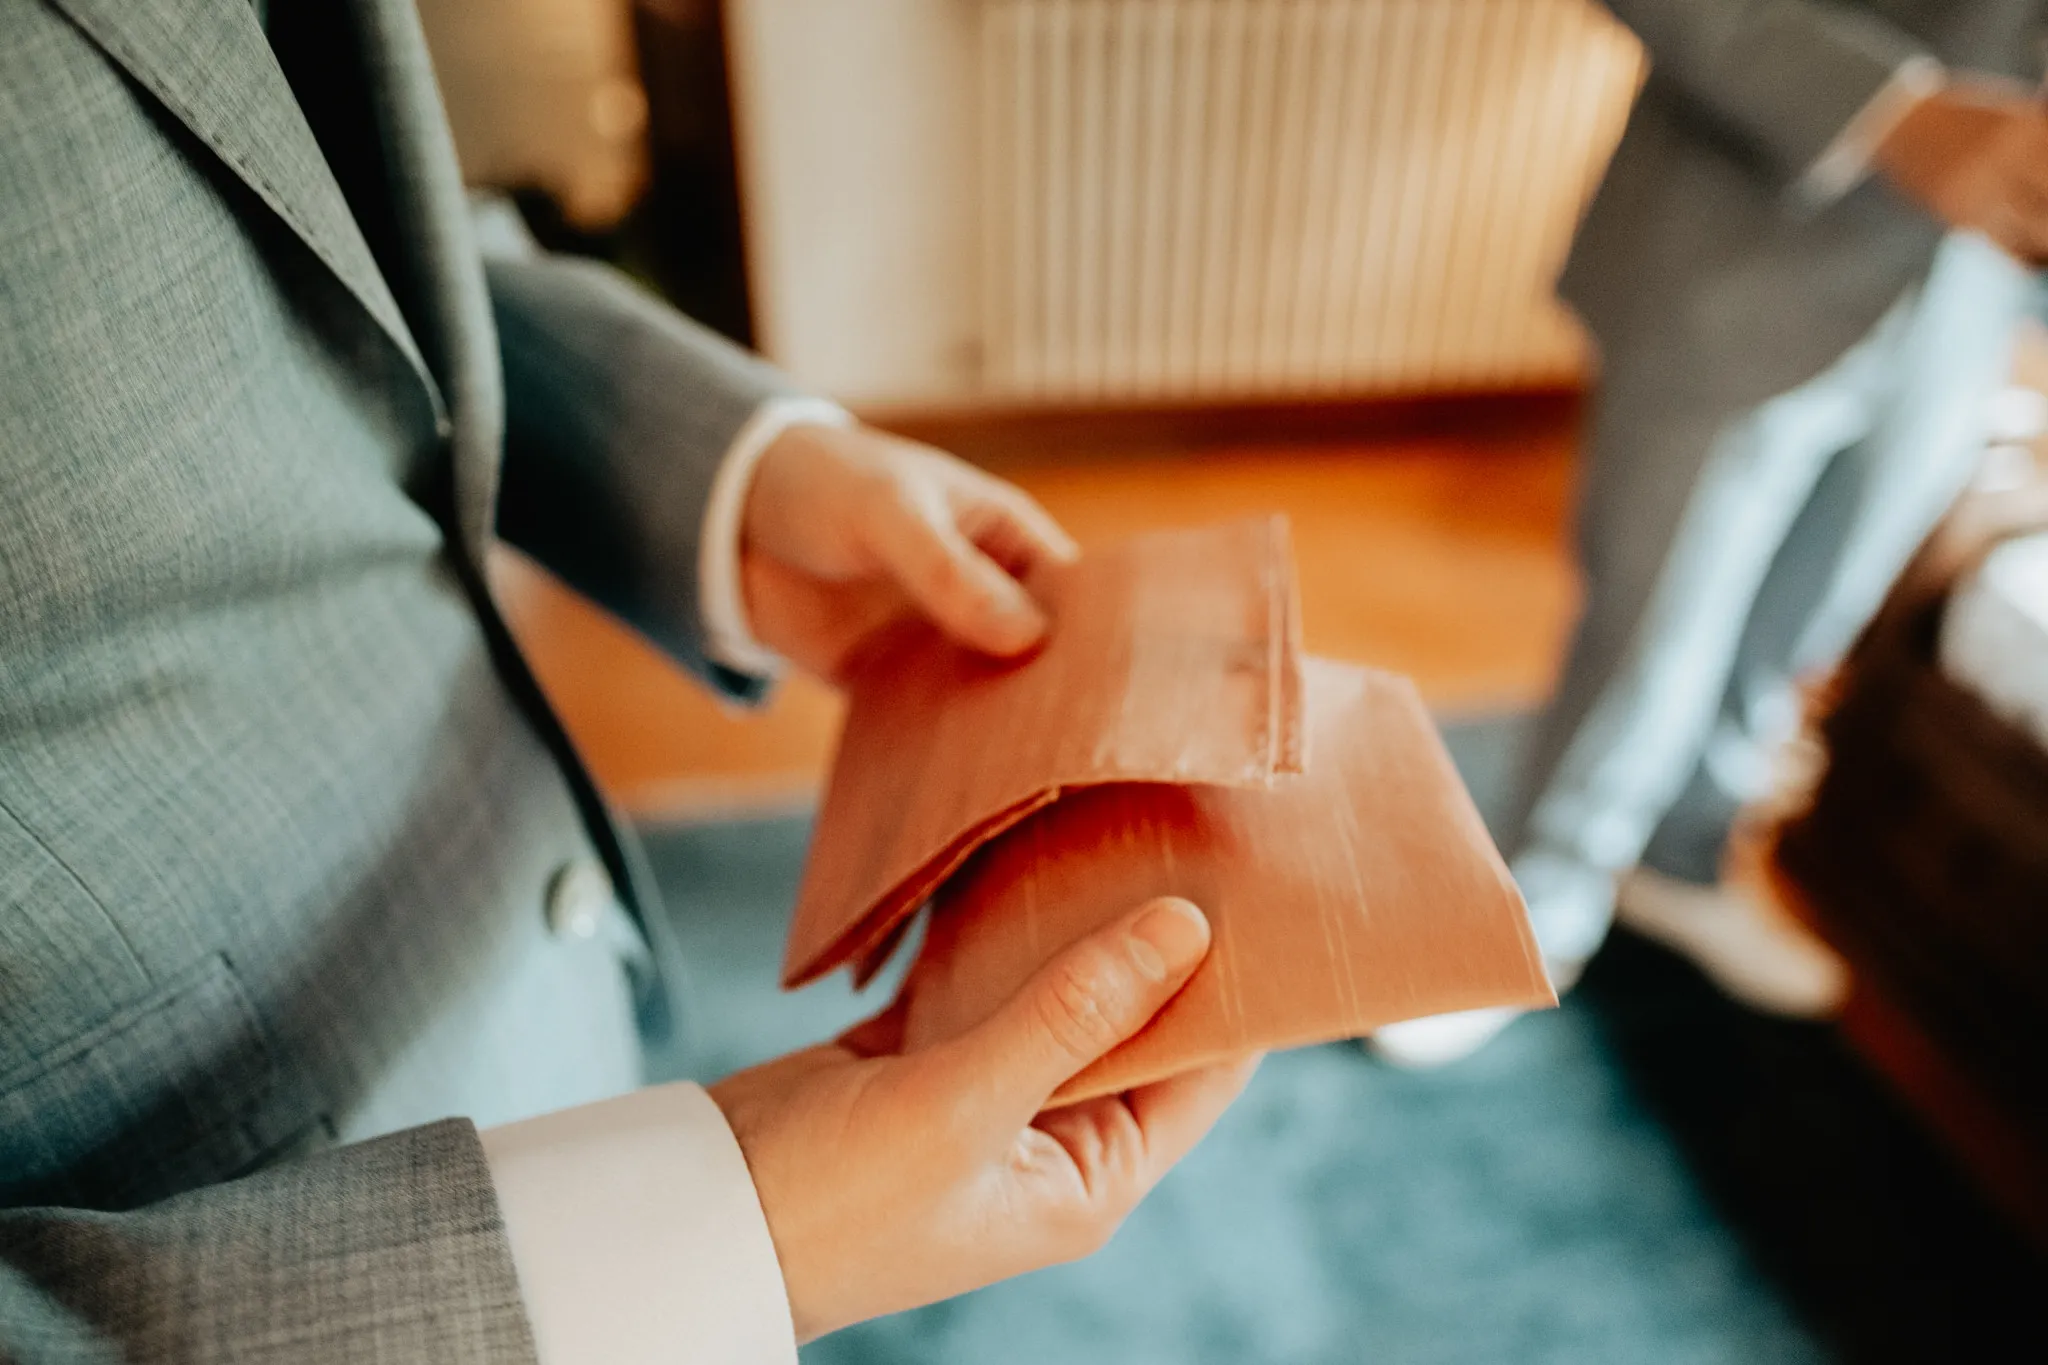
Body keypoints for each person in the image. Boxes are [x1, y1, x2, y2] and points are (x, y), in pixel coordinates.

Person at [0, 1, 1256, 1359]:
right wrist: (724, 1234)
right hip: (247, 1221)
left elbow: (346, 227)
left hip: (553, 995)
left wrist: (739, 467)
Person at [1375, 0, 2048, 1066]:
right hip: (1745, 235)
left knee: (1808, 616)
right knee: (1650, 628)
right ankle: (1529, 913)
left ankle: (1682, 859)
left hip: (1969, 298)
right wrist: (1897, 118)